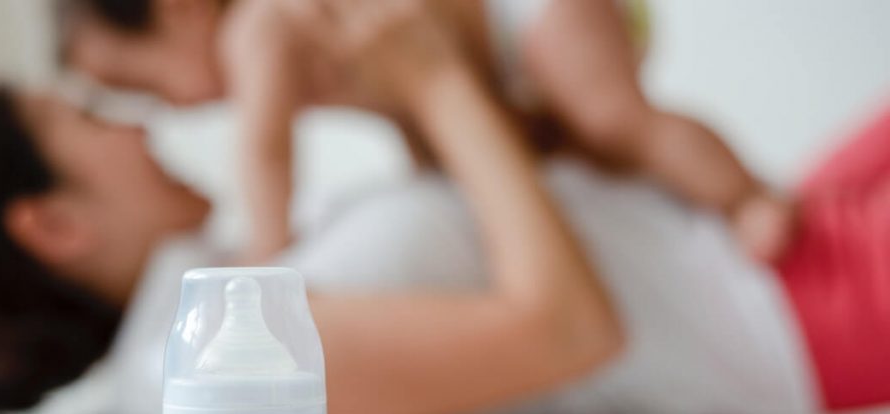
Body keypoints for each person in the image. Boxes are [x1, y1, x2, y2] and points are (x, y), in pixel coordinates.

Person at [0, 1, 888, 414]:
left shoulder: (222, 282)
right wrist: (433, 81)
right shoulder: (219, 361)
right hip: (794, 314)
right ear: (53, 226)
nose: (143, 130)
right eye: (93, 119)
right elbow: (573, 330)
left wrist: (421, 89)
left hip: (744, 246)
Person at [56, 0, 792, 264]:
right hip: (493, 67)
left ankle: (748, 197)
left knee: (613, 118)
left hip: (522, 14)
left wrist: (267, 249)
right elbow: (403, 107)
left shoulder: (258, 25)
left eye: (145, 84)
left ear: (180, 8)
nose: (167, 110)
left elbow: (266, 149)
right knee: (579, 151)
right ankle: (694, 216)